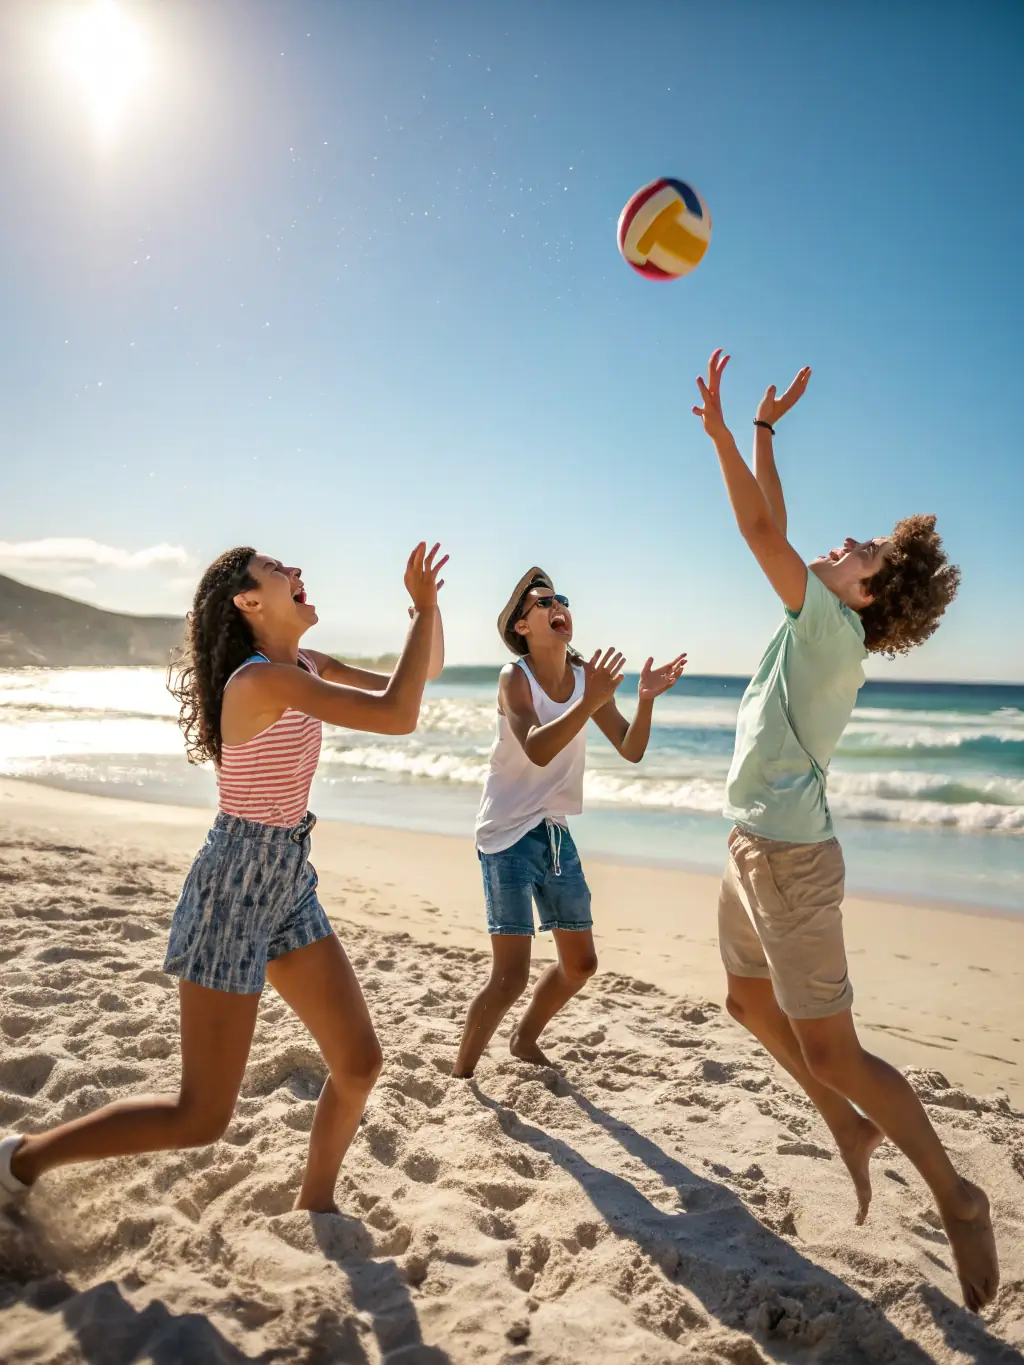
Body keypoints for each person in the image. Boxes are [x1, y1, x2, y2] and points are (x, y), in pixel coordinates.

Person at [0, 541, 447, 1215]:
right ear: (249, 601)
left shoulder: (306, 665)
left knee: (359, 1064)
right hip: (234, 885)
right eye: (278, 571)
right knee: (200, 1115)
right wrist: (427, 607)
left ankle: (314, 1207)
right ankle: (20, 1160)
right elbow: (399, 715)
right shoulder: (260, 680)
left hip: (288, 876)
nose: (297, 571)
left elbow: (416, 680)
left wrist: (422, 610)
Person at [691, 349, 998, 1313]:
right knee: (746, 1003)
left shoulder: (828, 624)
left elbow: (756, 527)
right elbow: (778, 524)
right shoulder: (822, 616)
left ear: (866, 596)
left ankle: (957, 1197)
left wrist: (724, 435)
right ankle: (848, 1128)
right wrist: (766, 431)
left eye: (864, 553)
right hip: (752, 846)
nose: (851, 543)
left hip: (789, 861)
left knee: (838, 1051)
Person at [453, 568, 687, 1078]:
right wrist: (589, 701)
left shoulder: (585, 680)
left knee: (581, 964)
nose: (557, 605)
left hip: (554, 832)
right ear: (522, 627)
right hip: (506, 834)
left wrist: (644, 700)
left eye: (561, 598)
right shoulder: (514, 677)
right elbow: (536, 748)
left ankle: (523, 1038)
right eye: (542, 602)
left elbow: (630, 748)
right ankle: (462, 1075)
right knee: (509, 977)